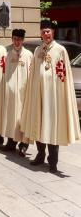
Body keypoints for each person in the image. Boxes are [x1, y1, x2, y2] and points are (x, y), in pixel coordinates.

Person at [20, 20, 81, 172]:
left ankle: (53, 161)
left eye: (48, 31)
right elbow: (33, 73)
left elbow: (63, 76)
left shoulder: (60, 51)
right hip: (38, 95)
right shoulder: (38, 50)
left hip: (53, 97)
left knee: (52, 127)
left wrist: (59, 94)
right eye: (43, 31)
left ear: (53, 32)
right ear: (40, 33)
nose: (46, 34)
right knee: (39, 125)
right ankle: (40, 155)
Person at [0, 28, 32, 154]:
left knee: (22, 119)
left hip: (24, 94)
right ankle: (11, 142)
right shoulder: (8, 55)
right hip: (12, 94)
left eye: (19, 39)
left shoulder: (29, 55)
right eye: (14, 39)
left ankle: (24, 145)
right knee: (11, 117)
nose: (16, 42)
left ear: (22, 40)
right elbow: (6, 74)